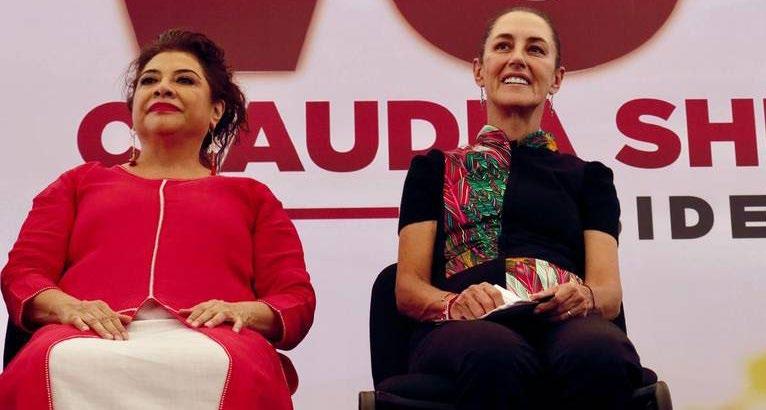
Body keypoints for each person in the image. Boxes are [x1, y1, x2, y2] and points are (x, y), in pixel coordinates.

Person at [0, 30, 315, 410]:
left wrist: (243, 312)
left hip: (216, 343)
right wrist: (69, 308)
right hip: (84, 338)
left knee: (225, 365)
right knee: (53, 361)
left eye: (184, 80)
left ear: (216, 111)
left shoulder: (253, 197)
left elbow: (295, 298)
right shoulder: (77, 184)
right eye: (150, 81)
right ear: (133, 109)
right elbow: (24, 273)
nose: (163, 88)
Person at [395, 7, 643, 409]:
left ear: (556, 78)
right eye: (503, 47)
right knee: (494, 355)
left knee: (598, 352)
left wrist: (583, 296)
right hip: (464, 327)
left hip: (562, 321)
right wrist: (454, 303)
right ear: (479, 70)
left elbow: (608, 292)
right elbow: (408, 289)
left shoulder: (590, 178)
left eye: (535, 50)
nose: (517, 59)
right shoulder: (434, 169)